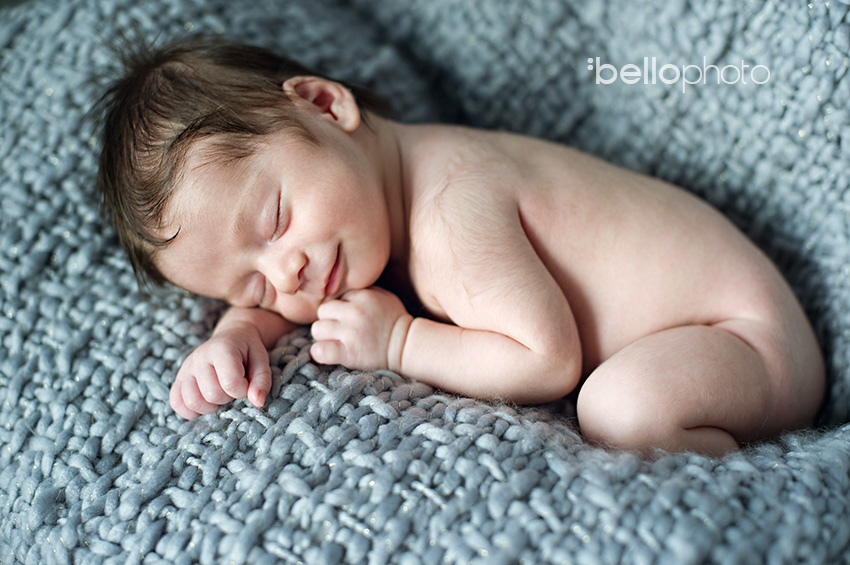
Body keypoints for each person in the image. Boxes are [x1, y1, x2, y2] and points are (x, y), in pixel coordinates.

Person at [96, 37, 825, 456]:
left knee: (621, 410)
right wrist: (237, 332)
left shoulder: (450, 210)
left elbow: (546, 360)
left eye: (276, 218)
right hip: (707, 341)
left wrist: (402, 342)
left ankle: (749, 483)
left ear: (324, 105)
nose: (290, 274)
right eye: (253, 285)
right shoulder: (370, 208)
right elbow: (292, 291)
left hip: (743, 339)